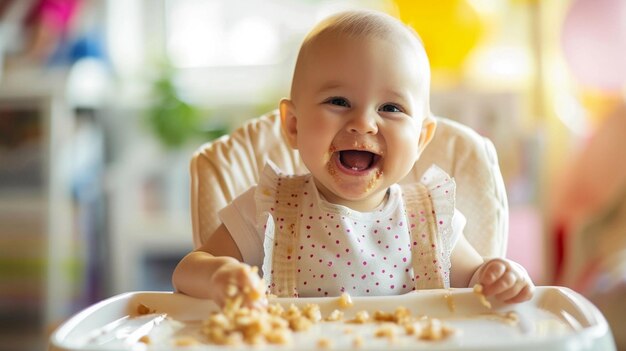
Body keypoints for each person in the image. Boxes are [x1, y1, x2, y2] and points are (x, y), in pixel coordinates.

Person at [172, 10, 534, 308]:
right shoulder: (269, 210)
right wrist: (219, 277)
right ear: (294, 126)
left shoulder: (429, 220)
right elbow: (187, 270)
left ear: (421, 139)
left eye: (390, 107)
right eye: (339, 102)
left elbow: (476, 281)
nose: (363, 123)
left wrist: (496, 275)